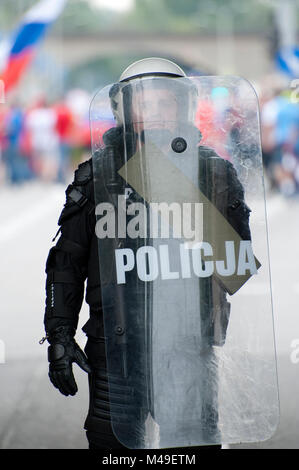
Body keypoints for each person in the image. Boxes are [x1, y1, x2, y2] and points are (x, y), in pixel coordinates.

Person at [42, 58, 251, 450]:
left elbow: (234, 268)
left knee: (191, 449)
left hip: (189, 344)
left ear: (183, 108)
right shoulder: (97, 175)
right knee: (114, 450)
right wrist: (59, 332)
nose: (155, 114)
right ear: (125, 111)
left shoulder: (214, 173)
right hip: (115, 344)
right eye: (145, 104)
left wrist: (174, 182)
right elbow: (66, 264)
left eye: (166, 103)